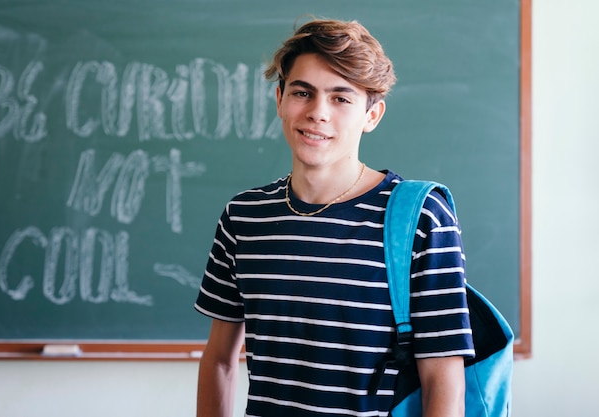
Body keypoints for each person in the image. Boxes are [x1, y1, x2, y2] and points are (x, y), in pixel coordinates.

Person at [195, 18, 475, 417]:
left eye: (341, 98)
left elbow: (443, 377)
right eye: (302, 92)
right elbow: (220, 360)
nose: (317, 113)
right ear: (279, 99)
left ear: (372, 115)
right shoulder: (244, 217)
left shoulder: (421, 217)